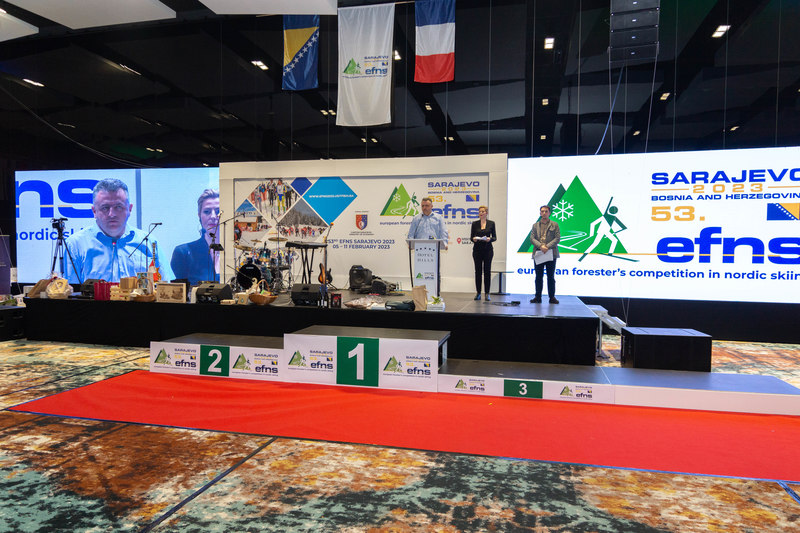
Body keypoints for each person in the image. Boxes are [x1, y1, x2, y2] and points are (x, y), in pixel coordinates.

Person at [65, 179, 171, 284]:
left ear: (130, 209)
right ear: (94, 211)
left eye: (118, 207)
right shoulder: (75, 245)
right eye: (105, 208)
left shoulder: (149, 242)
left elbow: (167, 287)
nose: (112, 214)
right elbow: (70, 292)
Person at [171, 189, 221, 285]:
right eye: (207, 211)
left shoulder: (237, 252)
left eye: (218, 211)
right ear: (199, 216)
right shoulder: (183, 253)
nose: (213, 216)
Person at [529, 205, 560, 304]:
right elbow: (532, 238)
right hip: (539, 253)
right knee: (538, 277)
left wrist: (547, 246)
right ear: (540, 213)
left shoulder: (555, 224)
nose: (544, 213)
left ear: (549, 213)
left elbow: (557, 238)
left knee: (550, 276)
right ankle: (538, 297)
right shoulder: (535, 225)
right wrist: (541, 246)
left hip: (551, 253)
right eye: (542, 211)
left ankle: (552, 297)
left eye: (546, 211)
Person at [470, 205, 496, 301]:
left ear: (486, 213)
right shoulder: (474, 224)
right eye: (480, 211)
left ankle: (487, 293)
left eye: (483, 211)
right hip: (477, 250)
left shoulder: (491, 223)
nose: (481, 213)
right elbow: (471, 237)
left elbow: (495, 237)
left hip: (488, 250)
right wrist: (474, 239)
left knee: (487, 272)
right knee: (478, 272)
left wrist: (489, 239)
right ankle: (478, 293)